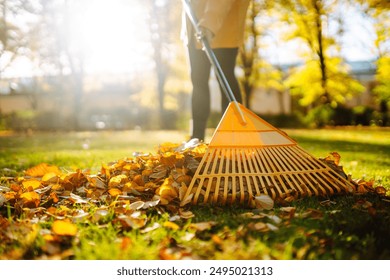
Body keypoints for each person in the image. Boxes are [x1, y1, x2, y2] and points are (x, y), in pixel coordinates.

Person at [182, 0, 250, 141]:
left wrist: (209, 25)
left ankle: (234, 135)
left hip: (224, 28)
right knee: (198, 82)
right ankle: (197, 136)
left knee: (225, 79)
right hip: (193, 29)